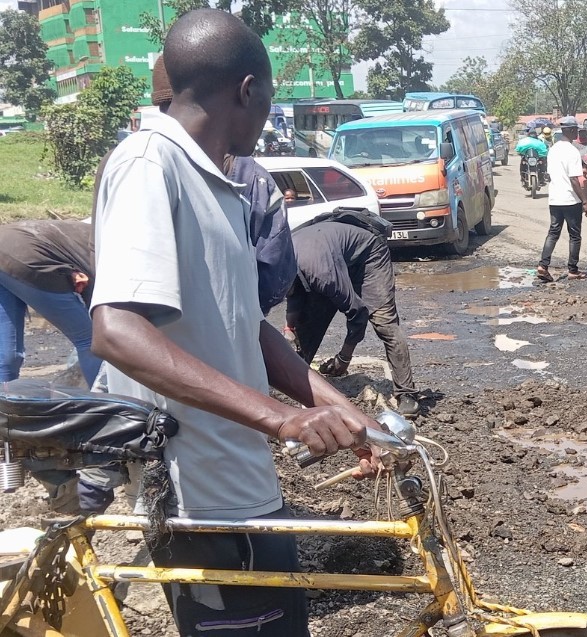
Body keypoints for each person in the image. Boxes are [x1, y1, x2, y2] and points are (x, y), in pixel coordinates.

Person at [89, 10, 380, 634]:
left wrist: (345, 414)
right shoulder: (149, 163)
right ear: (248, 90)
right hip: (197, 491)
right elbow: (116, 329)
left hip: (239, 480)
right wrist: (286, 419)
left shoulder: (217, 185)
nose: (269, 114)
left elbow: (244, 326)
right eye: (270, 99)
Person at [285, 211, 419, 417]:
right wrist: (289, 328)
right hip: (328, 253)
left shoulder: (323, 276)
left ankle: (407, 394)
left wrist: (344, 358)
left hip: (368, 254)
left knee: (385, 323)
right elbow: (295, 295)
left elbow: (357, 311)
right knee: (308, 322)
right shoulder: (280, 262)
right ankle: (298, 381)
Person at [0, 220, 99, 385]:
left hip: (10, 241)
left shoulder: (98, 231)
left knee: (7, 354)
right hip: (28, 257)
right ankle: (108, 404)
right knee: (91, 341)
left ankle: (4, 403)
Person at [537, 116, 587, 283]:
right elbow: (575, 179)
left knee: (553, 232)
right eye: (575, 130)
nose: (577, 132)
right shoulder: (572, 151)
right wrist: (585, 201)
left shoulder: (553, 149)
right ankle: (573, 270)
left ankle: (543, 266)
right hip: (570, 199)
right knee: (574, 235)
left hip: (554, 199)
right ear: (568, 130)